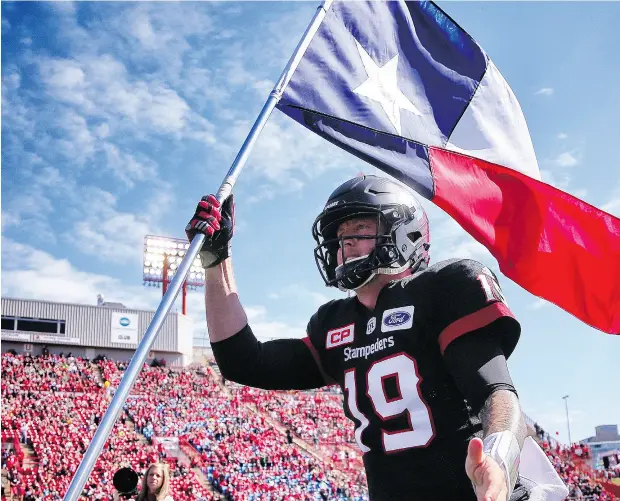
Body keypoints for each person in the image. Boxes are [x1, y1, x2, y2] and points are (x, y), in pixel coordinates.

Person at [186, 175, 534, 501]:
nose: (345, 241)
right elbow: (243, 362)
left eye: (360, 227)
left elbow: (497, 393)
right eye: (338, 235)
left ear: (405, 233)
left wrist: (499, 459)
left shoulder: (443, 287)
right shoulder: (333, 323)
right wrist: (216, 261)